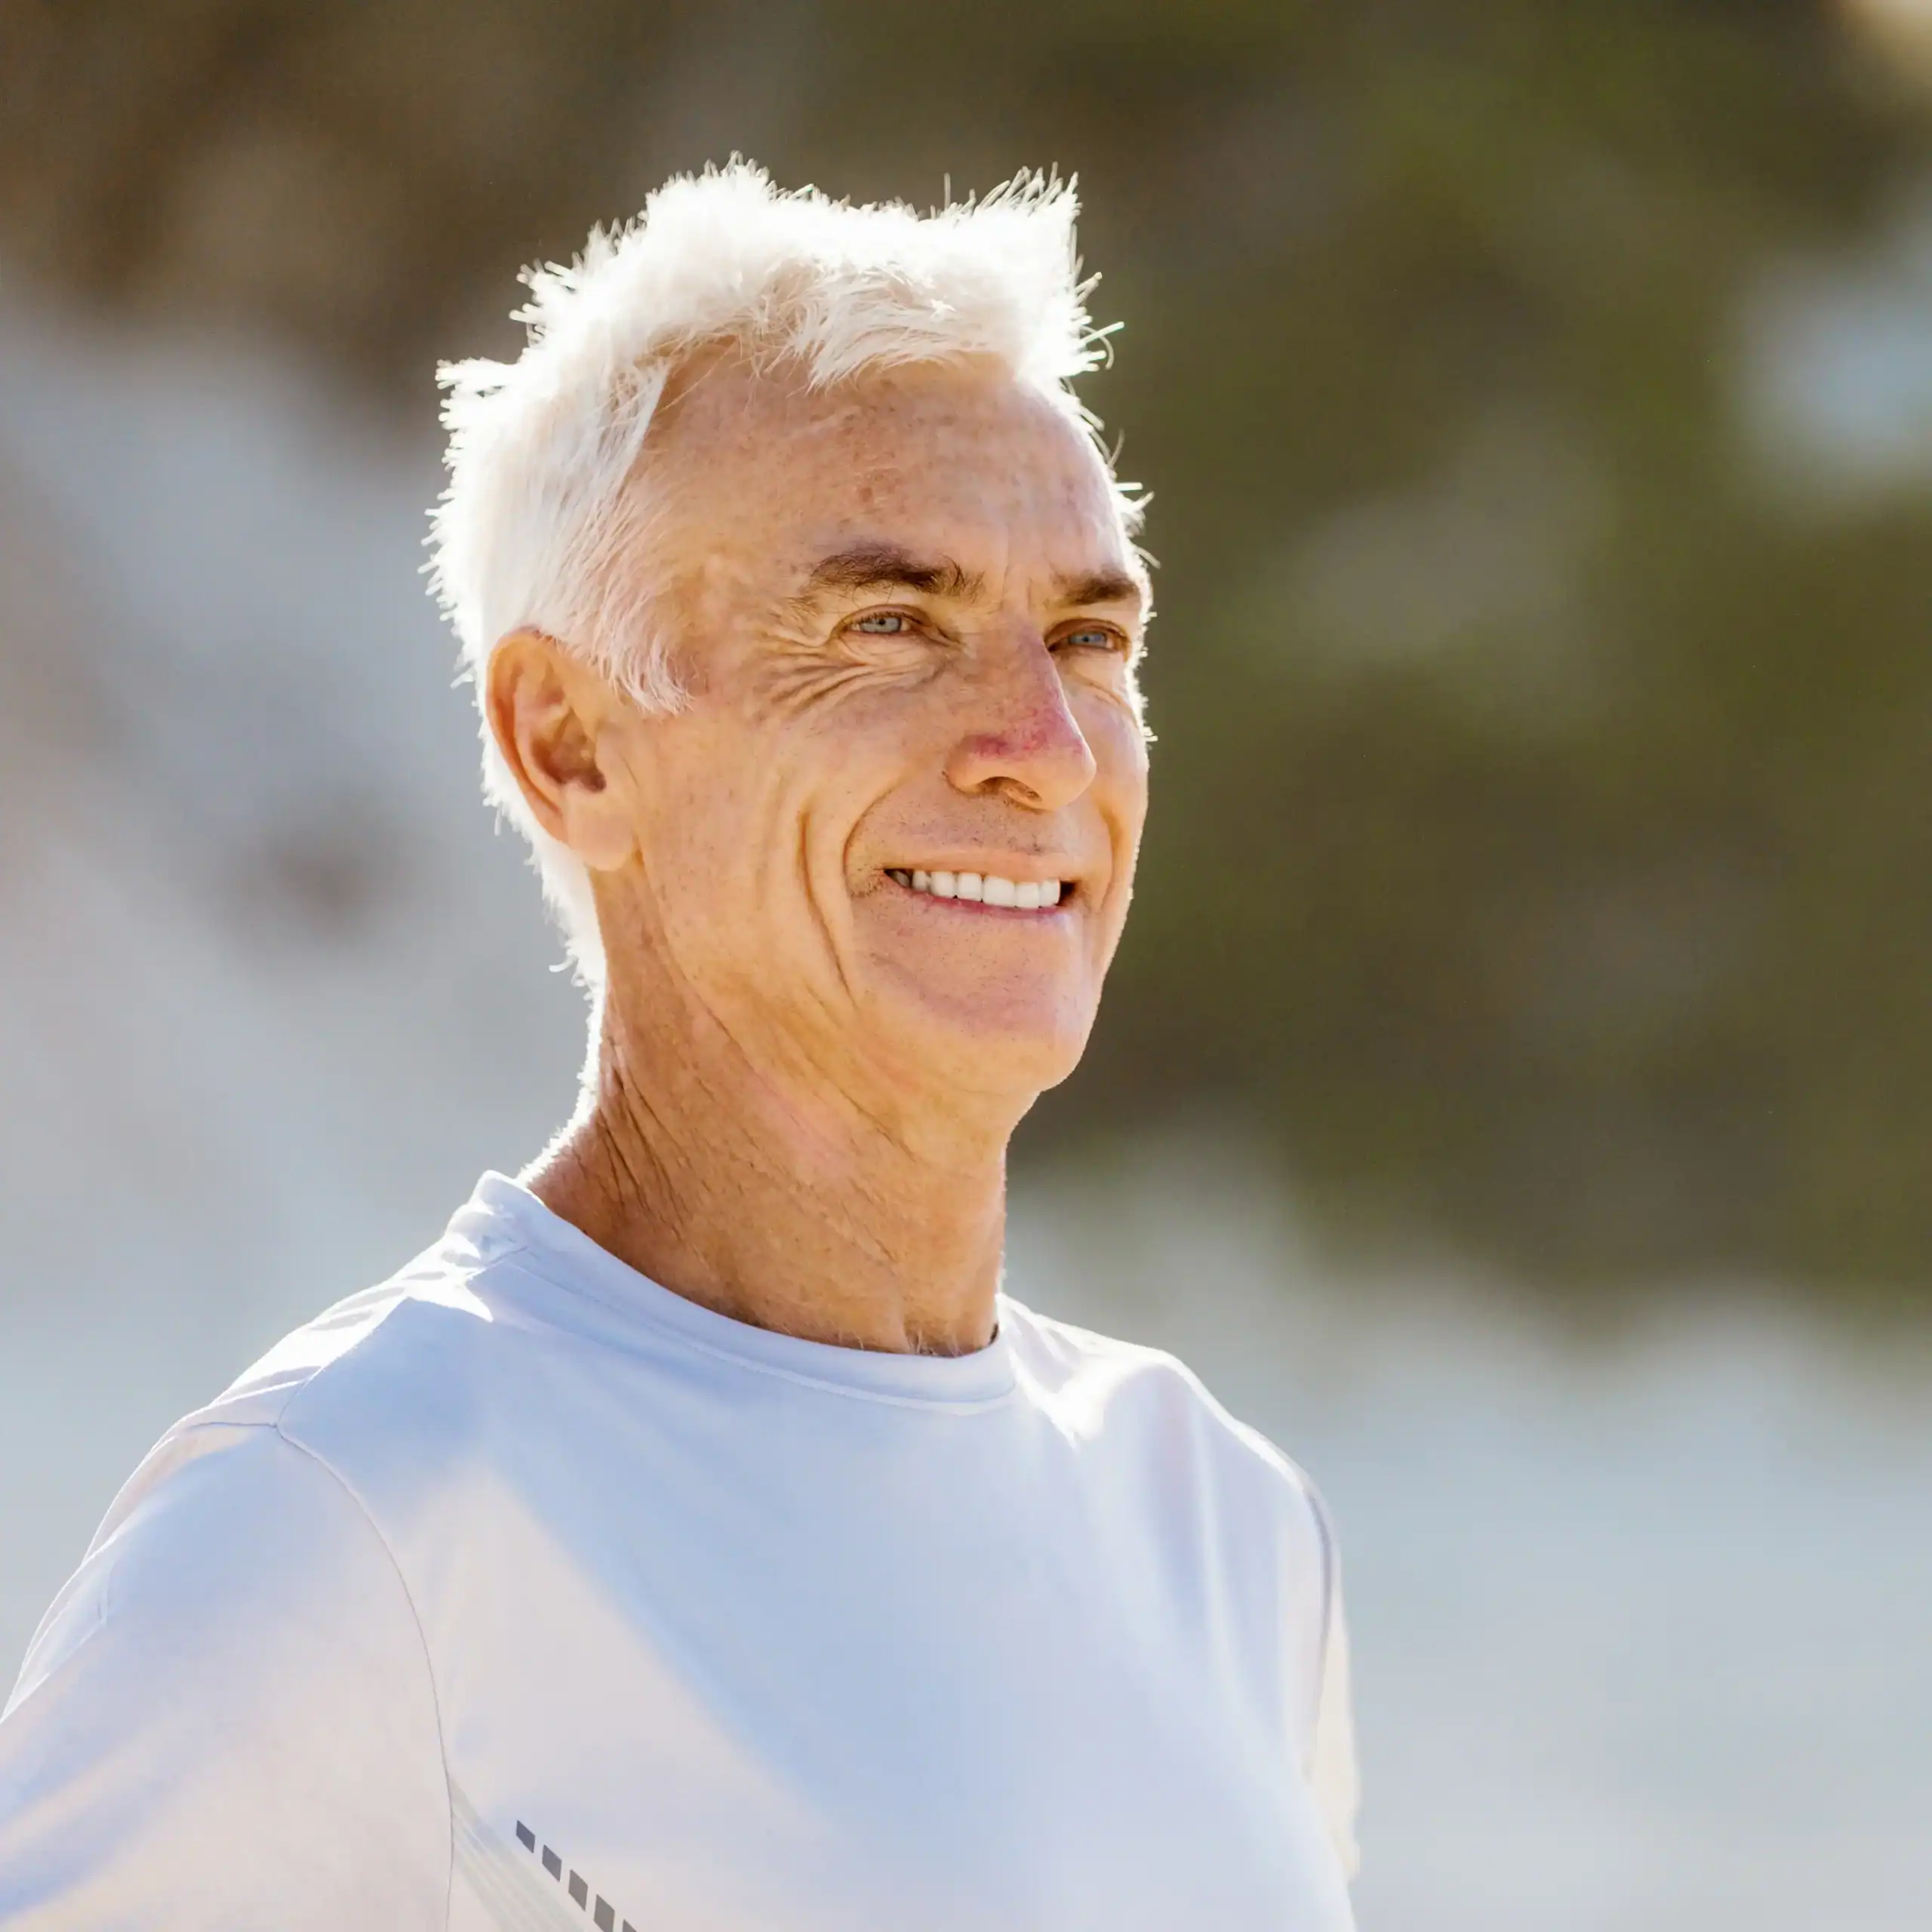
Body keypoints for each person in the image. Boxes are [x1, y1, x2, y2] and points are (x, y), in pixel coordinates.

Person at [0, 164, 1358, 1930]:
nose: (1042, 742)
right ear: (568, 742)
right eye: (890, 622)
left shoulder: (1224, 1524)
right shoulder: (340, 1531)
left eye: (1089, 638)